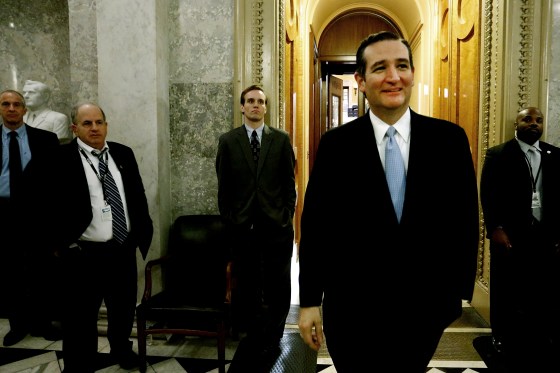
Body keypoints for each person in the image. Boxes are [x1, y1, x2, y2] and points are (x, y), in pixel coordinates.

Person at [297, 31, 480, 372]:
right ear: (361, 80)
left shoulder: (448, 141)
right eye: (380, 68)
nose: (394, 77)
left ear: (412, 73)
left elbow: (465, 218)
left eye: (402, 66)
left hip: (424, 306)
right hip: (352, 308)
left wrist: (455, 293)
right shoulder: (337, 146)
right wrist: (309, 301)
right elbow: (317, 226)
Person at [52, 103, 153, 373]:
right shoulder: (60, 158)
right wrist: (61, 245)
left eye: (99, 122)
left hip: (121, 249)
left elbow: (137, 196)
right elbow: (44, 206)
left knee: (122, 311)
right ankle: (78, 364)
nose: (94, 128)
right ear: (74, 128)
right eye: (87, 123)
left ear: (106, 125)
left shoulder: (123, 153)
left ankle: (122, 350)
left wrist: (140, 234)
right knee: (80, 318)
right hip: (83, 254)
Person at [215, 85, 296, 370]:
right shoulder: (228, 141)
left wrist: (286, 215)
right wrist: (231, 219)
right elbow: (223, 188)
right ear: (241, 107)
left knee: (278, 285)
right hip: (243, 228)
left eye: (260, 101)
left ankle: (274, 337)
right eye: (250, 101)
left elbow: (290, 184)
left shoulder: (281, 140)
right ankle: (252, 336)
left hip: (277, 228)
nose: (255, 105)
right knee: (248, 284)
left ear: (266, 107)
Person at [480, 106, 560, 371]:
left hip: (544, 234)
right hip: (511, 235)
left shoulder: (553, 155)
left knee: (542, 288)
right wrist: (496, 228)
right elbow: (488, 195)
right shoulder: (499, 154)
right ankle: (501, 337)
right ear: (516, 124)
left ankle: (538, 337)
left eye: (538, 120)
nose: (534, 124)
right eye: (528, 119)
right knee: (506, 288)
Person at [0, 89, 61, 346]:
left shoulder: (46, 140)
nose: (12, 108)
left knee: (42, 270)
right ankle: (18, 325)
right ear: (0, 109)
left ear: (25, 110)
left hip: (38, 215)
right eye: (6, 104)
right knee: (10, 271)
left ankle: (43, 322)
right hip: (3, 213)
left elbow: (57, 182)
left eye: (17, 104)